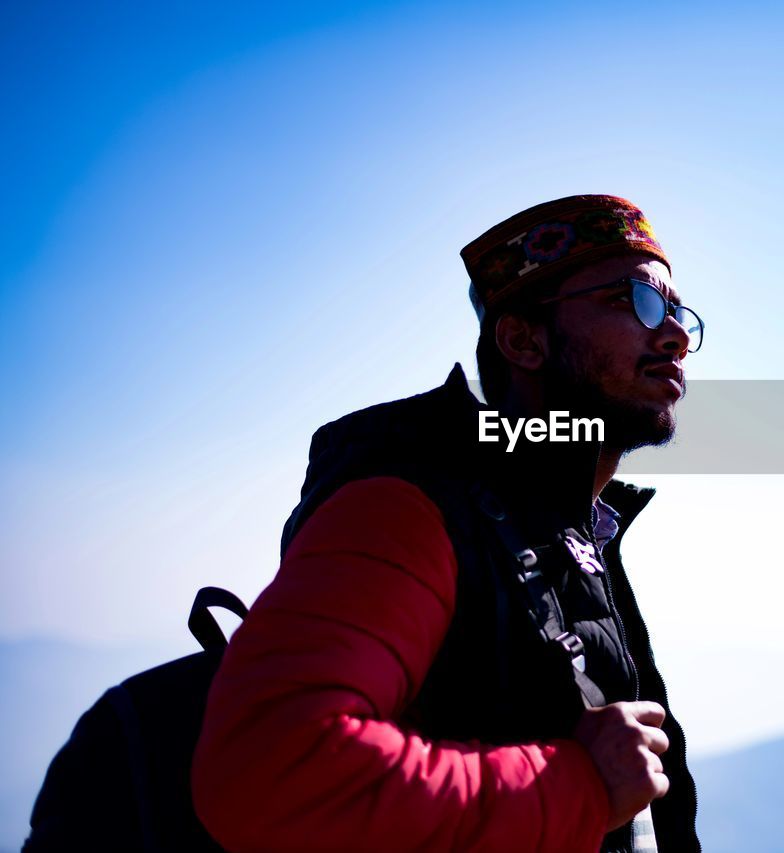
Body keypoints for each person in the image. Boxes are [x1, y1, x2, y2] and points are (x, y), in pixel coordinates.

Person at [191, 194, 704, 852]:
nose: (674, 334)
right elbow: (268, 771)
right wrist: (577, 786)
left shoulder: (573, 529)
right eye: (634, 299)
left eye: (677, 310)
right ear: (522, 339)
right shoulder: (404, 509)